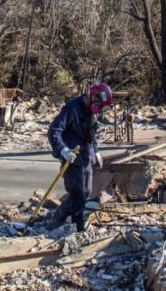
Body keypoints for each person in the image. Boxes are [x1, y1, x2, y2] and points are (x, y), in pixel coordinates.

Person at [46, 82, 113, 233]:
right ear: (93, 96)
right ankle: (72, 225)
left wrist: (95, 151)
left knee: (86, 193)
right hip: (71, 157)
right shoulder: (72, 108)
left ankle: (63, 218)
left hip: (85, 156)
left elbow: (91, 134)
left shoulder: (93, 111)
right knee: (78, 194)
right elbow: (54, 131)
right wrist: (63, 149)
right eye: (100, 104)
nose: (101, 109)